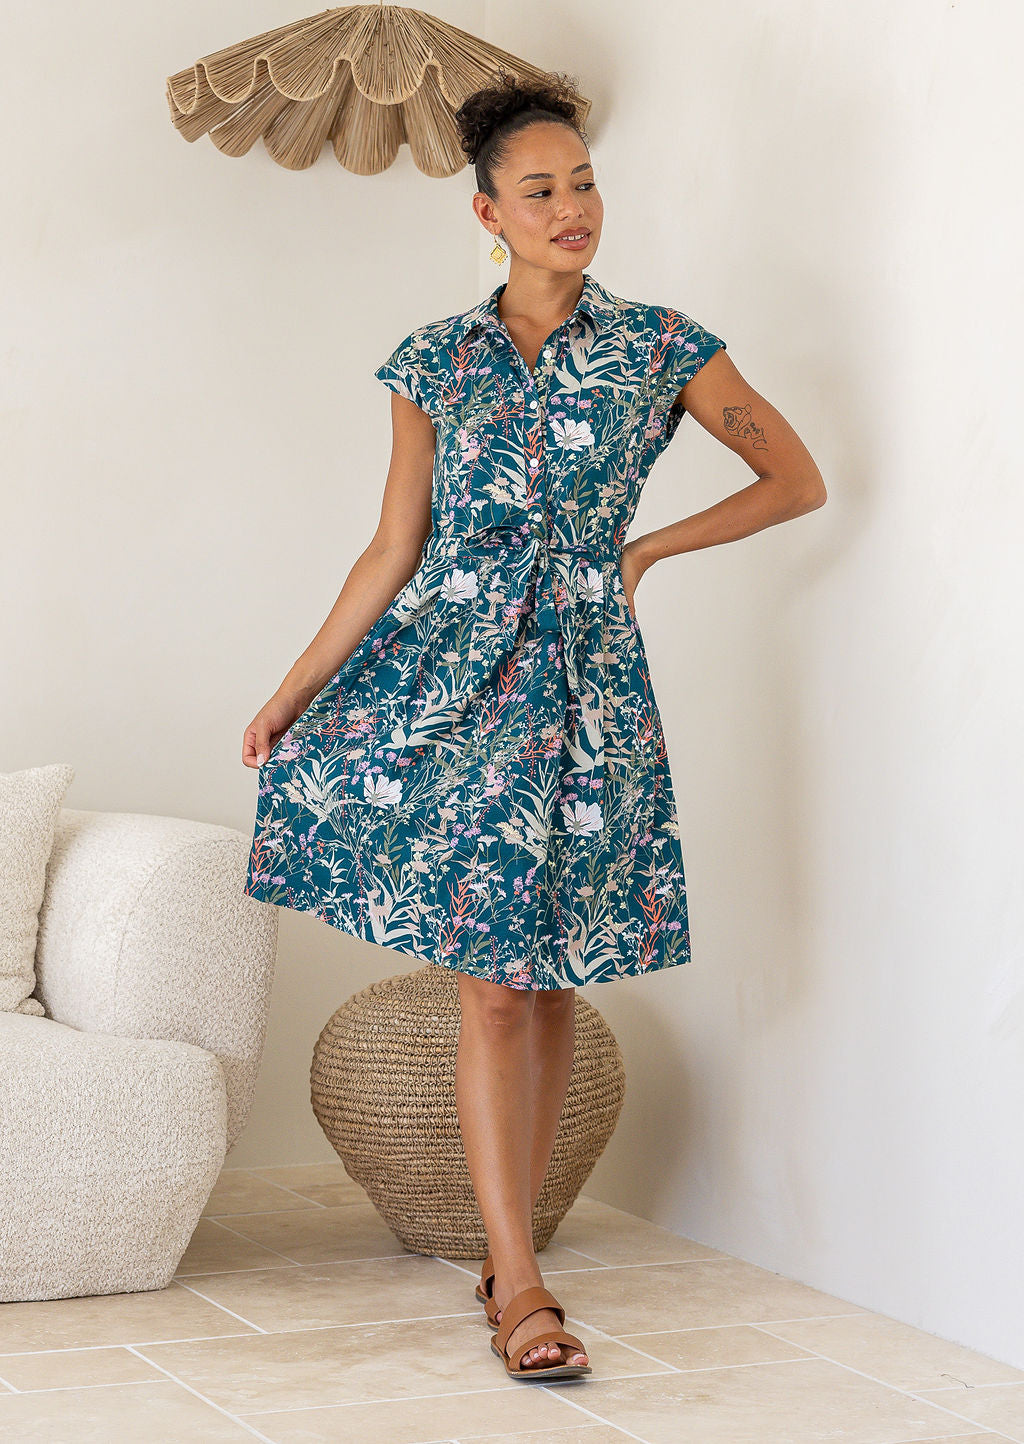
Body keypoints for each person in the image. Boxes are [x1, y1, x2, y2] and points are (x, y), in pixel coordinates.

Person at [241, 71, 827, 1380]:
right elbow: (393, 547)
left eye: (585, 184)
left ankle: (510, 1262)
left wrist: (649, 550)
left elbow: (794, 478)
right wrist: (292, 690)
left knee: (546, 972)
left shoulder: (664, 347)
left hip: (583, 687)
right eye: (542, 189)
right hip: (444, 688)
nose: (573, 208)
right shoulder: (433, 360)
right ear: (488, 210)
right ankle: (517, 1284)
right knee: (495, 983)